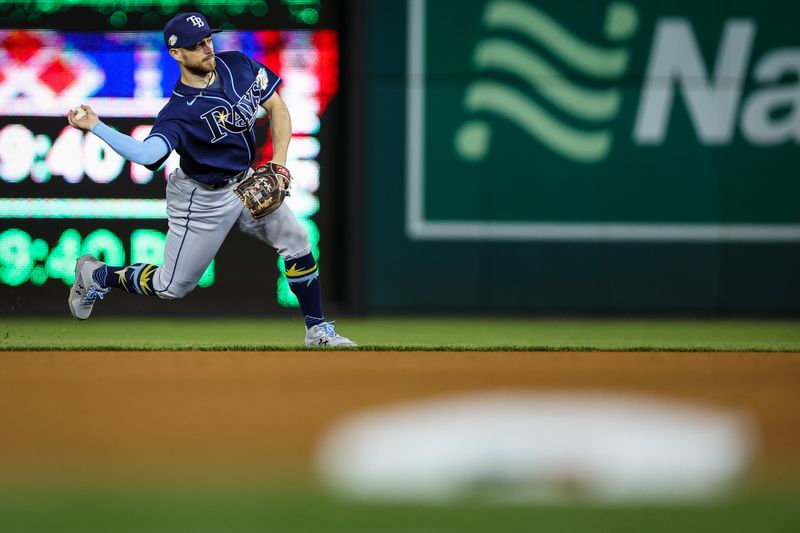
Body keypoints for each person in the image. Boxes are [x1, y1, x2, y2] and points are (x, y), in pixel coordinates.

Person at [66, 12, 355, 347]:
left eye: (207, 39)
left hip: (246, 182)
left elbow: (277, 107)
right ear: (176, 54)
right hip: (201, 197)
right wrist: (96, 127)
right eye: (196, 45)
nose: (207, 48)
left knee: (297, 241)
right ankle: (95, 274)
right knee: (170, 287)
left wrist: (277, 162)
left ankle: (317, 330)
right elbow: (147, 156)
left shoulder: (238, 65)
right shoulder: (179, 111)